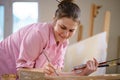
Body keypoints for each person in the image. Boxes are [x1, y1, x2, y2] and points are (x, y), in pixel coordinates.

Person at [0, 0, 98, 77]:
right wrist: (41, 71)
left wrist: (82, 73)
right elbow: (21, 71)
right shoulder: (38, 34)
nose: (66, 34)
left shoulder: (64, 43)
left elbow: (56, 73)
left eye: (71, 30)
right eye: (62, 27)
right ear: (54, 19)